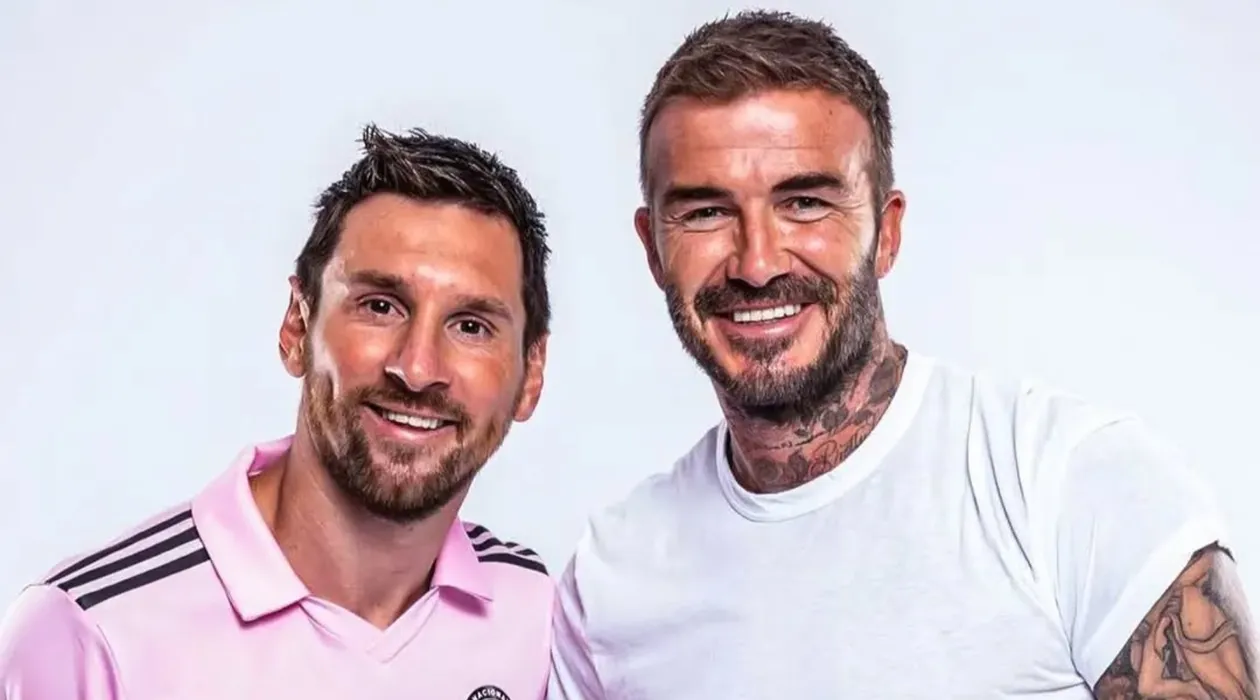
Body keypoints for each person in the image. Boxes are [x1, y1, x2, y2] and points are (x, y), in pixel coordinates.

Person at [548, 10, 1257, 699]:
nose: (757, 263)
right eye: (706, 212)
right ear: (653, 249)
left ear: (885, 233)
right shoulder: (610, 582)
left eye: (805, 203)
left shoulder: (1066, 480)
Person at [0, 125, 555, 699]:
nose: (416, 369)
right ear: (297, 326)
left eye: (471, 326)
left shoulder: (538, 619)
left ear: (531, 373)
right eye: (380, 306)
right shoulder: (93, 634)